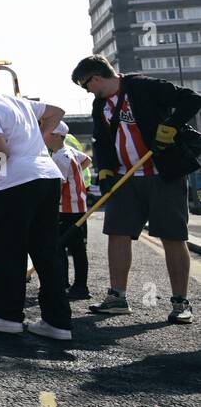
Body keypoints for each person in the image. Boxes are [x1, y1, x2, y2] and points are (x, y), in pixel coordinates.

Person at [73, 54, 198, 323]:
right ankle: (117, 297)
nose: (86, 91)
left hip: (162, 174)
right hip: (124, 178)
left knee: (172, 236)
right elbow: (102, 140)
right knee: (117, 233)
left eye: (85, 85)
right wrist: (104, 170)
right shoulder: (100, 105)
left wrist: (171, 127)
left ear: (95, 78)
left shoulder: (144, 86)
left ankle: (180, 303)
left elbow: (192, 98)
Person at [0, 61, 71, 339]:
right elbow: (57, 111)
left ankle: (7, 315)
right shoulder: (18, 102)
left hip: (18, 181)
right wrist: (41, 139)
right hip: (47, 176)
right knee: (46, 251)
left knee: (9, 250)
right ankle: (58, 322)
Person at [46, 121, 91, 300]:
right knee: (77, 248)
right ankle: (79, 286)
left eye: (49, 134)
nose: (45, 137)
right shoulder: (69, 152)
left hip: (66, 209)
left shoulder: (59, 158)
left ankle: (65, 284)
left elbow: (57, 185)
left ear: (57, 136)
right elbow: (87, 160)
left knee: (59, 247)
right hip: (78, 206)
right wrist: (76, 178)